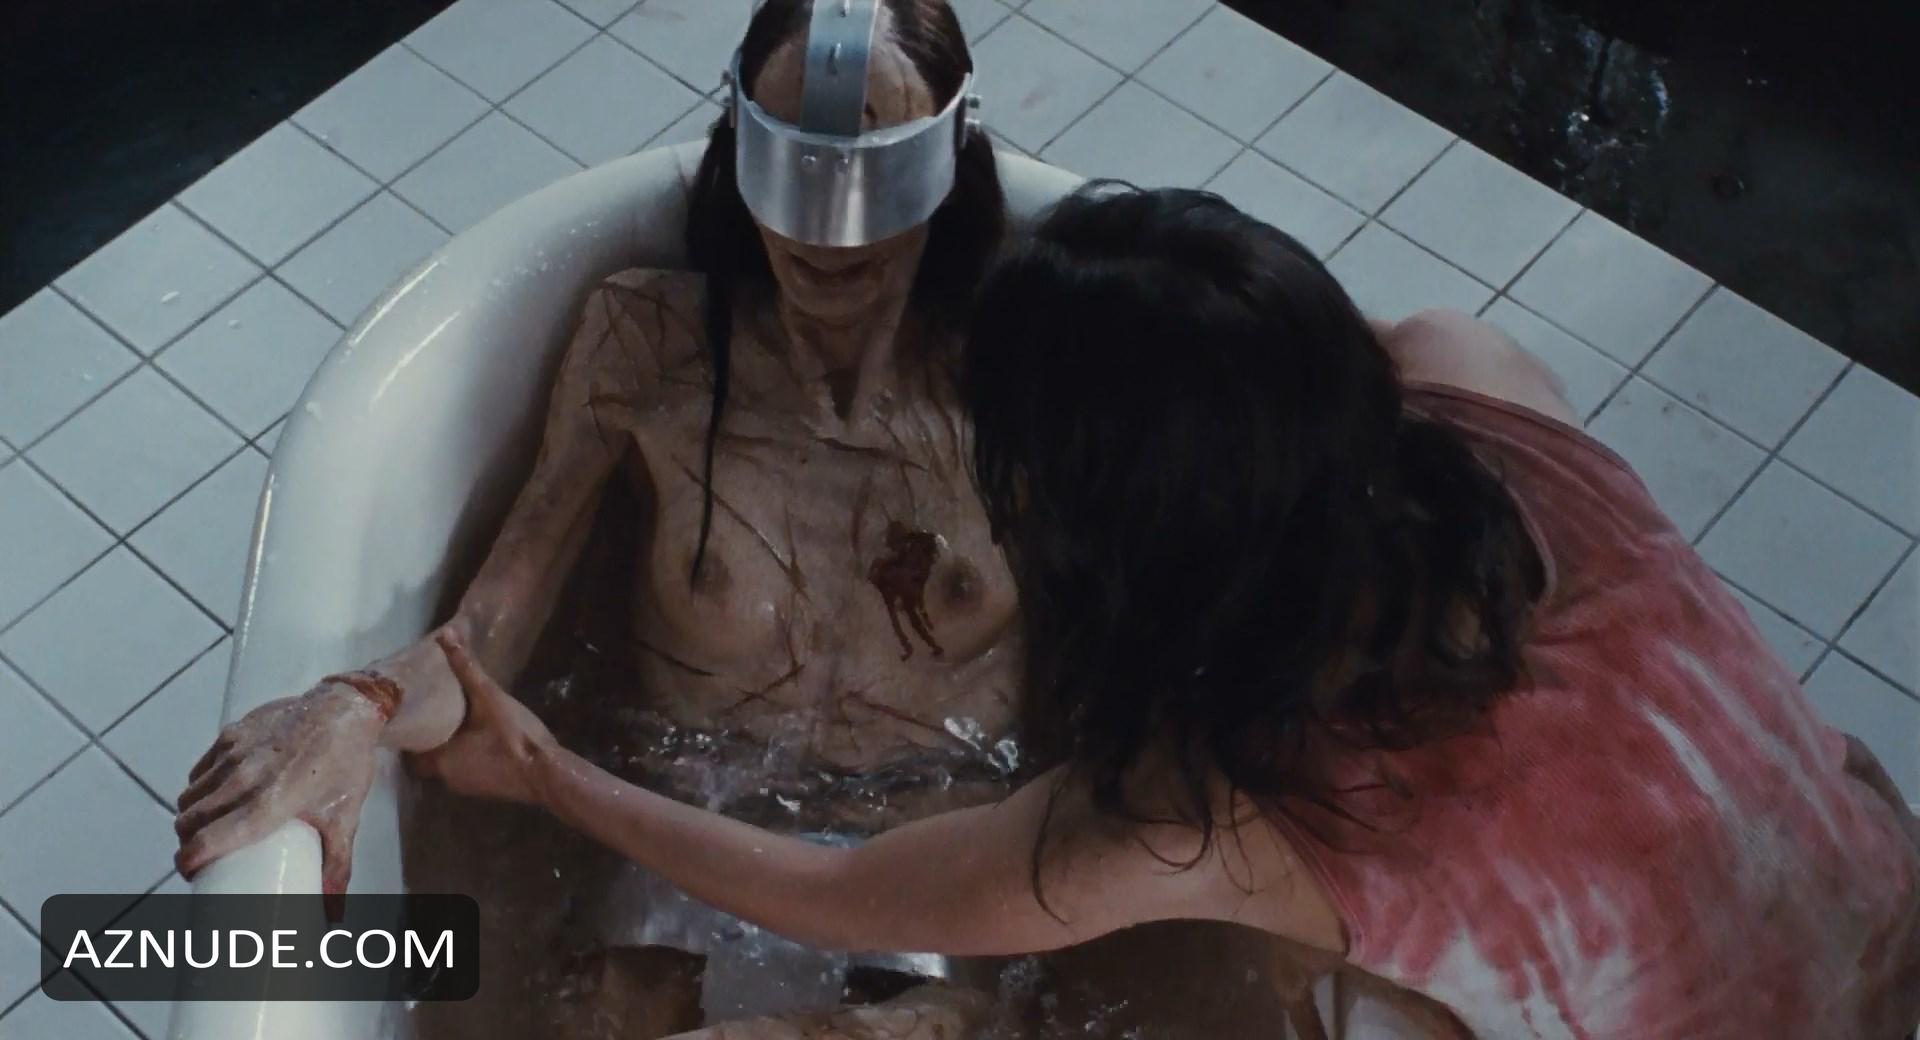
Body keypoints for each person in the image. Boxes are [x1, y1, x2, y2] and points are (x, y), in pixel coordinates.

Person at [418, 185, 1920, 1039]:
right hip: (1879, 913)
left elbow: (853, 891)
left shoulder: (1226, 814)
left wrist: (546, 772)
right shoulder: (1474, 383)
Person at [176, 3, 1356, 1036]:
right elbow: (487, 636)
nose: (828, 234)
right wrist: (359, 702)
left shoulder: (1016, 382)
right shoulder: (645, 343)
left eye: (873, 180)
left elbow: (1172, 600)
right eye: (795, 171)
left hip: (932, 866)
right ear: (738, 151)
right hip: (671, 832)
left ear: (951, 166)